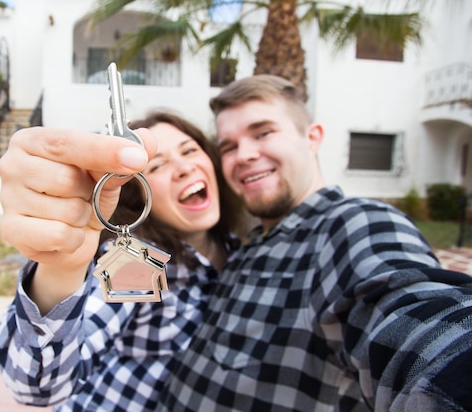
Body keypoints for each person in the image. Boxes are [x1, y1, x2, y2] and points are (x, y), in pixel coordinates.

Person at [154, 75, 472, 411]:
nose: (244, 155)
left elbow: (416, 319)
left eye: (263, 132)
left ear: (312, 137)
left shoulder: (350, 224)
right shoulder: (242, 252)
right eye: (229, 146)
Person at [0, 111, 244, 411]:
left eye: (190, 150)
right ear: (139, 194)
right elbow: (40, 386)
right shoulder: (136, 262)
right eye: (158, 165)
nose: (183, 168)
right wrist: (62, 268)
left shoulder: (240, 247)